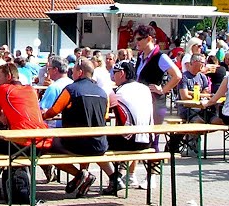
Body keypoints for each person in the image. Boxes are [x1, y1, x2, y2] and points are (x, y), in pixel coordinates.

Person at [41, 58, 108, 197]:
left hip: (76, 143)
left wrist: (42, 116)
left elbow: (54, 111)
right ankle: (83, 180)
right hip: (99, 143)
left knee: (47, 147)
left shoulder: (71, 89)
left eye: (74, 71)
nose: (72, 73)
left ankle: (80, 175)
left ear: (80, 72)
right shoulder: (102, 93)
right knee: (86, 139)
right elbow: (105, 116)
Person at [108, 60, 155, 191]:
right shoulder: (145, 89)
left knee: (97, 142)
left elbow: (107, 115)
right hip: (148, 140)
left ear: (122, 74)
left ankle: (114, 177)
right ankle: (127, 174)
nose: (113, 76)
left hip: (129, 142)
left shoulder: (119, 91)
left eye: (115, 73)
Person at [133, 23, 183, 130]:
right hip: (141, 101)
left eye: (139, 39)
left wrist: (162, 90)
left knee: (152, 138)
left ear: (149, 39)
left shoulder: (160, 57)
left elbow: (177, 75)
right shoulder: (140, 56)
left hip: (155, 103)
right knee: (141, 135)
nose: (136, 42)